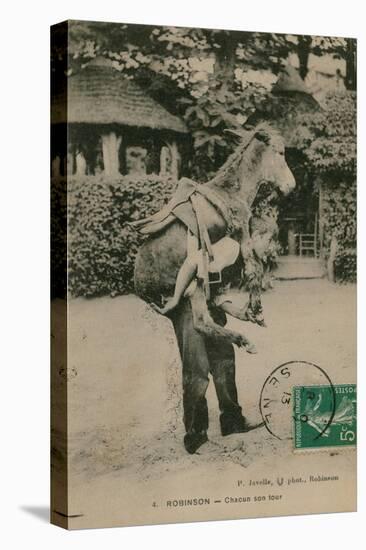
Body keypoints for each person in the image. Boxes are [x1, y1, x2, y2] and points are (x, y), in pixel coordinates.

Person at [154, 233, 240, 315]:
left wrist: (238, 313)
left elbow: (216, 298)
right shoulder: (232, 247)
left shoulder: (236, 259)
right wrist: (175, 300)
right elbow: (193, 261)